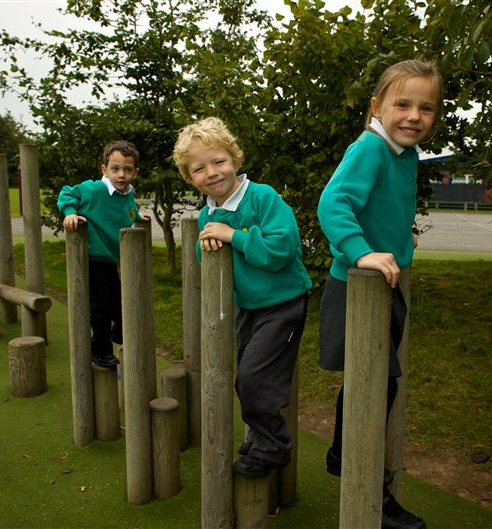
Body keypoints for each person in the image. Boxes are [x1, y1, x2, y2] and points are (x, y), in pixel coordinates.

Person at [317, 59, 443, 529]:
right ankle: (363, 477)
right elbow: (335, 202)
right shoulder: (370, 148)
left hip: (384, 283)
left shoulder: (403, 154)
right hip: (357, 287)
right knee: (375, 383)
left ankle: (340, 453)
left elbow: (383, 206)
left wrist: (398, 241)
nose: (414, 115)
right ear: (377, 107)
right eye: (403, 103)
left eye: (426, 108)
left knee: (377, 382)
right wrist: (361, 252)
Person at [173, 117, 312, 478]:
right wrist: (209, 243)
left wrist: (233, 236)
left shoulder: (262, 198)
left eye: (218, 161)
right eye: (199, 169)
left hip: (283, 302)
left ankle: (272, 446)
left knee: (254, 379)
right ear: (191, 178)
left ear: (234, 158)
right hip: (247, 306)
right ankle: (261, 436)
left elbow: (281, 250)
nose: (212, 172)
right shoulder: (208, 213)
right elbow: (210, 263)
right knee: (248, 377)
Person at [58, 140, 143, 368]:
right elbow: (67, 193)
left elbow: (128, 211)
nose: (121, 175)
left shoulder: (127, 195)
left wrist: (138, 218)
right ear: (104, 169)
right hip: (93, 258)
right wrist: (70, 213)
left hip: (111, 260)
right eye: (115, 169)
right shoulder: (94, 189)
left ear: (135, 172)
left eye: (127, 170)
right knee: (101, 307)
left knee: (120, 303)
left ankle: (117, 336)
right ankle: (100, 349)